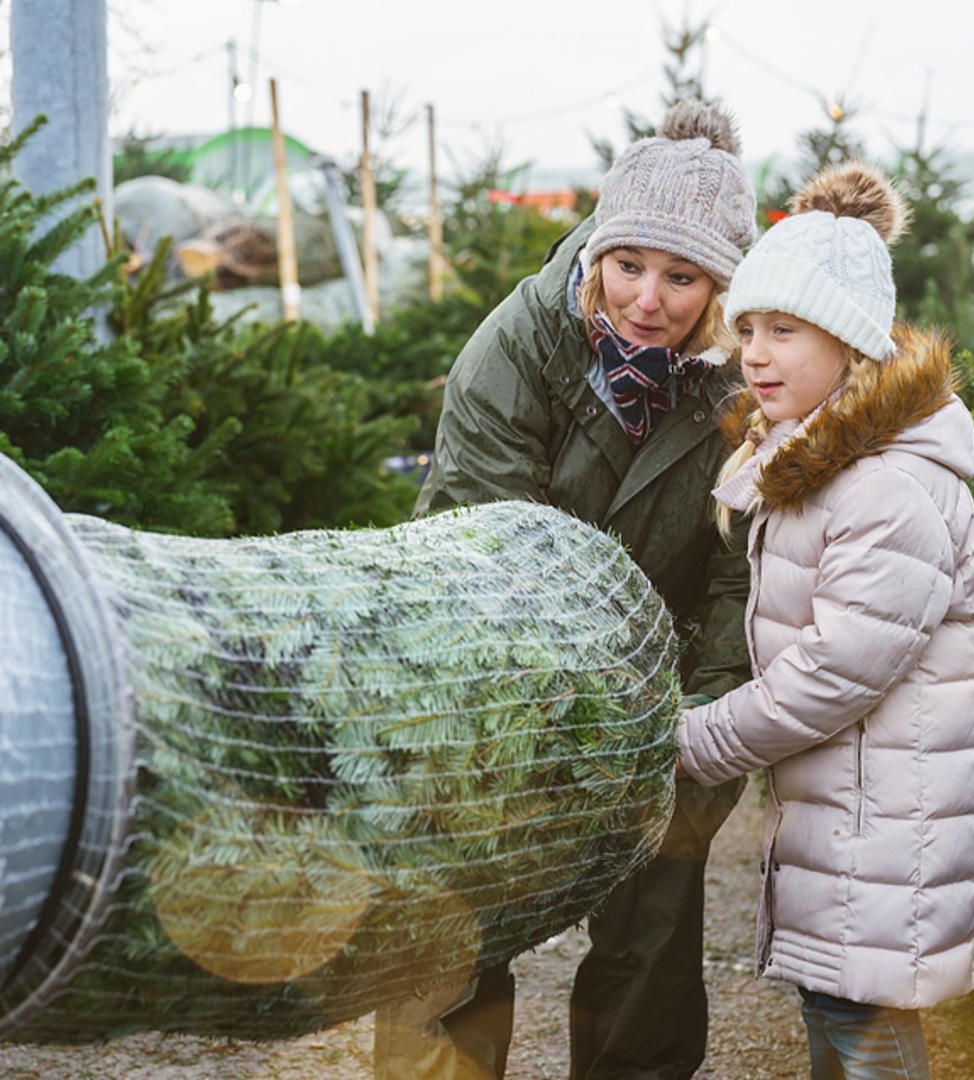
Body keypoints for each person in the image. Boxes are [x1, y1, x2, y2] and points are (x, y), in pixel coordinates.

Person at [371, 99, 761, 1080]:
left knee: (650, 940)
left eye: (681, 276)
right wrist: (549, 727)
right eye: (627, 264)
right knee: (447, 931)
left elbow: (738, 569)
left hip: (654, 688)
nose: (646, 299)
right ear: (595, 252)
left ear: (719, 285)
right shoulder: (515, 348)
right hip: (487, 668)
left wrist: (704, 725)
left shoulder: (744, 383)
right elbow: (494, 553)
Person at [675, 162, 974, 1080]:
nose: (753, 353)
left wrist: (695, 740)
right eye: (746, 329)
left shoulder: (885, 488)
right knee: (836, 1009)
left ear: (849, 340)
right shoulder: (818, 462)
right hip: (860, 810)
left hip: (890, 817)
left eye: (783, 329)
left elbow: (836, 669)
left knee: (861, 1027)